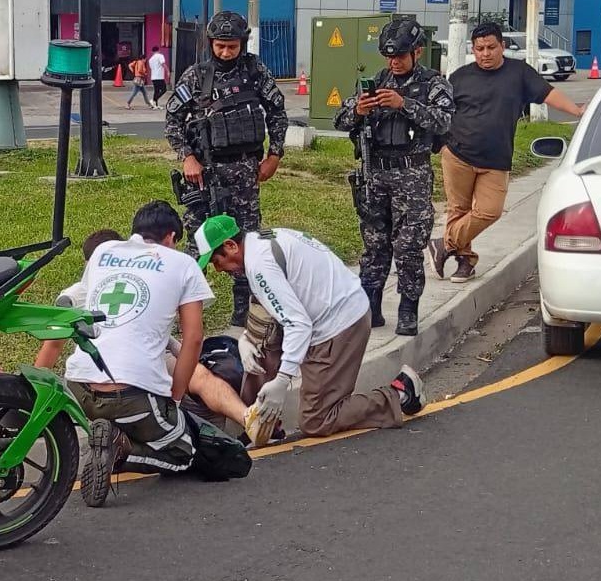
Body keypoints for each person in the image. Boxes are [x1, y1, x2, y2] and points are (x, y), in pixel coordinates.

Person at [194, 214, 424, 447]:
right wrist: (246, 339)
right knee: (258, 340)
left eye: (216, 261)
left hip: (341, 325)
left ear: (231, 246)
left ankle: (401, 393)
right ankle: (266, 425)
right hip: (322, 315)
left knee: (316, 419)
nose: (218, 269)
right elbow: (273, 309)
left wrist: (283, 380)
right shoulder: (258, 244)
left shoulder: (259, 265)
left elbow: (298, 324)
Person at [57, 202, 216, 507]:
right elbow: (194, 338)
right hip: (129, 395)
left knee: (133, 414)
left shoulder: (103, 252)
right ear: (171, 236)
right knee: (183, 454)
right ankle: (120, 447)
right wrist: (177, 398)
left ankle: (108, 434)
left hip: (78, 387)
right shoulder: (183, 264)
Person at [35, 228, 258, 438]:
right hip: (121, 366)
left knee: (198, 375)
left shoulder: (128, 280)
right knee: (193, 392)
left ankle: (248, 420)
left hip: (141, 356)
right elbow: (54, 344)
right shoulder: (76, 295)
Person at [426, 22, 584, 288]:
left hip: (496, 160)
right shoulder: (460, 77)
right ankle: (465, 261)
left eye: (491, 47)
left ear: (502, 47)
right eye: (479, 49)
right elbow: (443, 111)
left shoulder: (519, 73)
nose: (485, 53)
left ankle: (443, 243)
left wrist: (577, 112)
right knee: (459, 210)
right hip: (458, 154)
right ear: (473, 50)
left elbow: (548, 94)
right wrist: (440, 144)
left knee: (490, 211)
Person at [333, 16, 453, 335]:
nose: (394, 62)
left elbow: (444, 123)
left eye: (400, 55)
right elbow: (340, 121)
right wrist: (358, 110)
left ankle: (408, 307)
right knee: (374, 245)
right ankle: (369, 305)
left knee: (408, 245)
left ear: (417, 51)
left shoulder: (433, 84)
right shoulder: (375, 81)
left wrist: (405, 104)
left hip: (411, 175)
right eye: (389, 56)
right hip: (375, 175)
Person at [167, 11, 289, 327]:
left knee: (247, 241)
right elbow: (173, 120)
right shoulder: (196, 76)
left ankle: (244, 313)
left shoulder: (255, 72)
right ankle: (185, 314)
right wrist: (187, 157)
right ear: (211, 44)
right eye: (220, 46)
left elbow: (277, 113)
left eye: (232, 47)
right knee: (198, 243)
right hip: (205, 175)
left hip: (246, 172)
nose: (225, 53)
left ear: (242, 44)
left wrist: (274, 154)